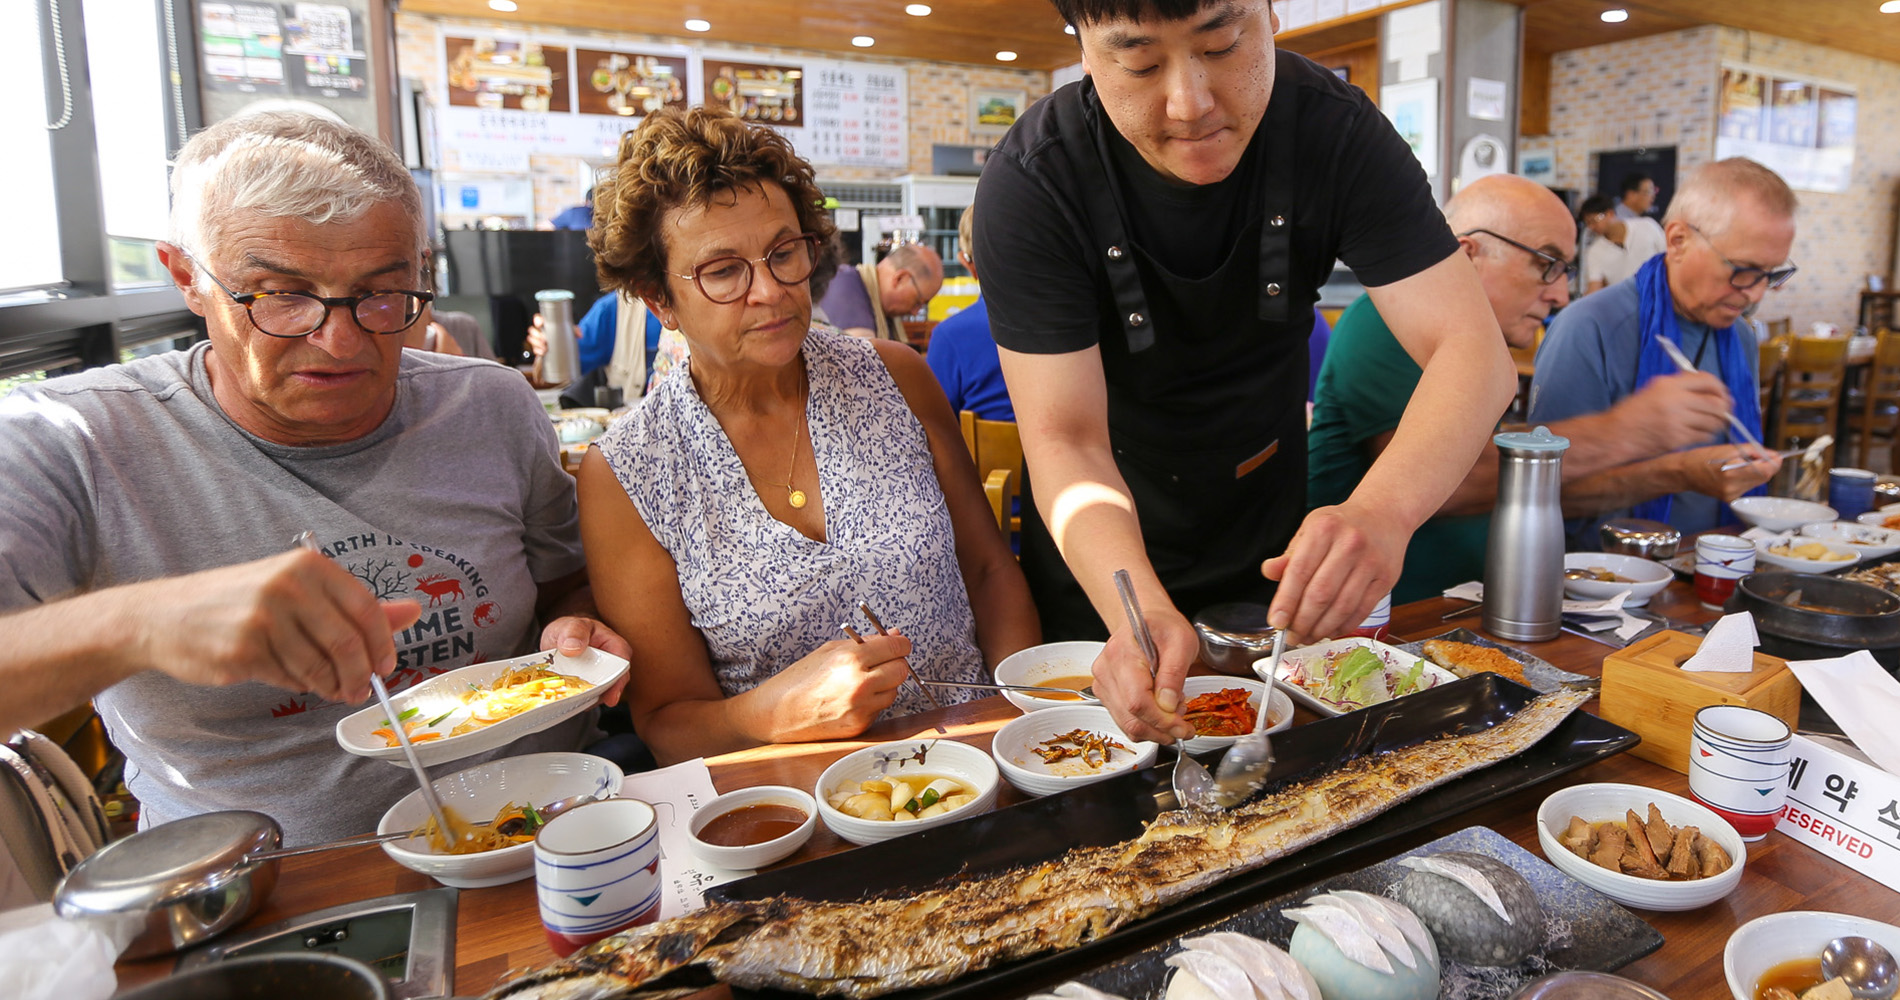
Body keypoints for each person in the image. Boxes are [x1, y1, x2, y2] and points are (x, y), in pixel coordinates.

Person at [0, 111, 629, 844]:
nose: (340, 338)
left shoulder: (489, 403)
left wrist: (575, 627)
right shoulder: (73, 439)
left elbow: (561, 585)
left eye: (381, 293)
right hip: (267, 882)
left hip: (551, 831)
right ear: (187, 279)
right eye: (280, 294)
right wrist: (143, 623)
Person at [973, 0, 1516, 744]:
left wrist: (1383, 511)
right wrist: (1133, 609)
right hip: (1107, 570)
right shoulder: (1036, 179)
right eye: (1138, 62)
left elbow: (1475, 354)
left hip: (1264, 549)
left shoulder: (1334, 130)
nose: (1189, 103)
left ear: (1270, 13)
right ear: (1084, 50)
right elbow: (1066, 440)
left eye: (1223, 45)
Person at [576, 107, 1040, 765]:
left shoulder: (894, 377)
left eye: (783, 252)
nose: (769, 290)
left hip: (975, 761)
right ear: (659, 300)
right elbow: (666, 722)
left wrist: (1013, 719)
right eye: (724, 270)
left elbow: (991, 570)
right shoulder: (630, 471)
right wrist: (772, 711)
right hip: (794, 807)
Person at [1309, 174, 1778, 601]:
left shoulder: (1482, 353)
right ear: (1468, 254)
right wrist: (1628, 430)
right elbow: (1447, 485)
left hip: (1475, 603)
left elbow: (1531, 494)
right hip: (1382, 619)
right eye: (1547, 264)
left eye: (1566, 272)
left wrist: (1678, 472)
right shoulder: (1383, 321)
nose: (1559, 296)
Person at [1531, 158, 1797, 544]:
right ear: (1678, 241)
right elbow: (1545, 491)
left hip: (1715, 561)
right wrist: (1678, 472)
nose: (1756, 293)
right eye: (1743, 269)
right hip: (1605, 573)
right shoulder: (1589, 327)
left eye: (1771, 275)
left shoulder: (1739, 336)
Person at [925, 204, 1013, 421]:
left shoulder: (950, 336)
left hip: (988, 456)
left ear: (967, 262)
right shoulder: (1091, 323)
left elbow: (932, 430)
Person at [817, 242, 943, 341]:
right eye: (918, 302)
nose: (915, 312)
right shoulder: (845, 287)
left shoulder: (881, 308)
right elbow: (861, 363)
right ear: (900, 279)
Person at [1579, 194, 1667, 294]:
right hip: (1626, 303)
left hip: (1658, 295)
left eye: (1593, 221)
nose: (1591, 227)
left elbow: (1669, 256)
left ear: (1610, 213)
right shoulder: (1595, 251)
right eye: (1588, 223)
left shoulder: (1647, 226)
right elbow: (1594, 286)